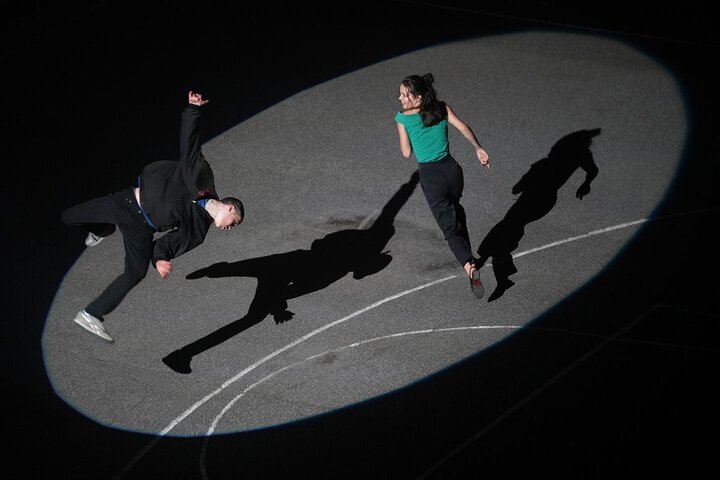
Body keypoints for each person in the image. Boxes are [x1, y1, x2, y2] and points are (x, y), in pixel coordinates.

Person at [61, 91, 244, 342]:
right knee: (68, 217)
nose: (230, 229)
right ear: (230, 208)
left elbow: (167, 245)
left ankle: (91, 314)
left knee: (136, 272)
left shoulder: (198, 231)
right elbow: (189, 145)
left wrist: (159, 260)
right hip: (125, 203)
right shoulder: (202, 177)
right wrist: (192, 109)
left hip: (142, 228)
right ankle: (102, 229)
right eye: (234, 224)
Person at [395, 73, 490, 298]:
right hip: (452, 171)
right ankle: (469, 254)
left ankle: (469, 266)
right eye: (399, 95)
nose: (400, 99)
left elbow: (406, 153)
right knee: (455, 207)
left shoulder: (402, 118)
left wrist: (405, 127)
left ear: (418, 97)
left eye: (405, 95)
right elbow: (462, 126)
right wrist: (478, 148)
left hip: (431, 177)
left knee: (449, 228)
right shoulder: (440, 108)